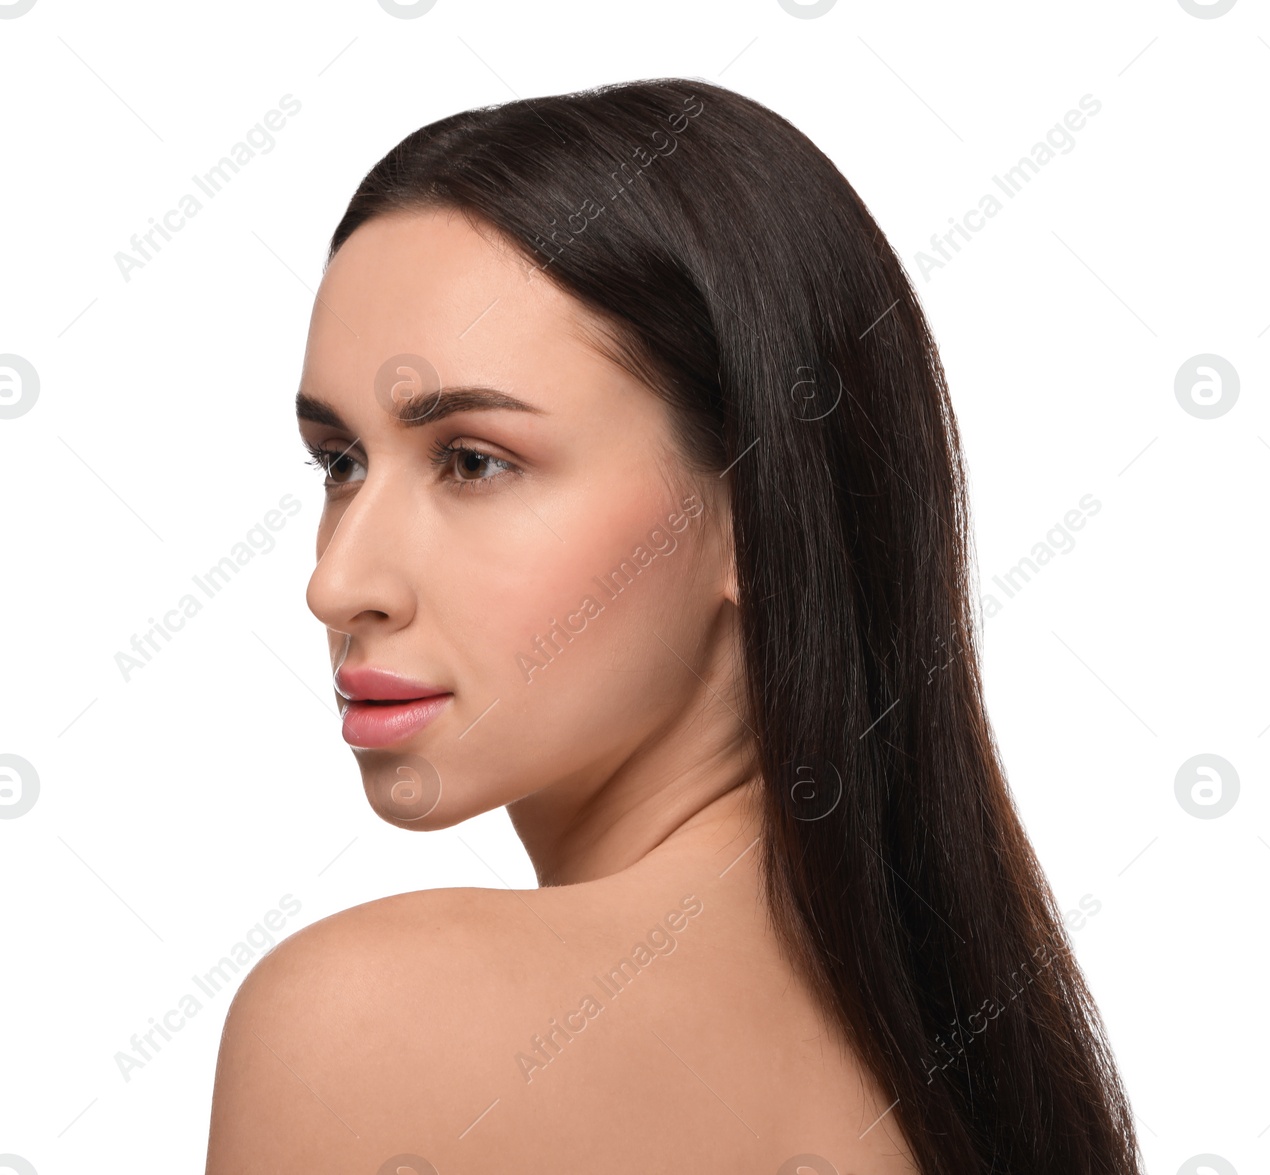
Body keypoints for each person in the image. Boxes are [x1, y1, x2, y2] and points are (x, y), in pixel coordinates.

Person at [205, 77, 1141, 1175]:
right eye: (340, 462)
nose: (337, 582)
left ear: (755, 509)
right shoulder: (968, 1063)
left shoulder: (361, 1021)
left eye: (472, 460)